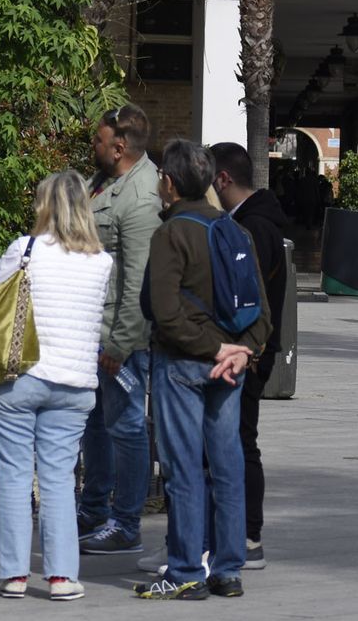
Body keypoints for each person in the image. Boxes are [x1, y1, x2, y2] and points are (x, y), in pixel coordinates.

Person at [135, 140, 271, 601]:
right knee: (228, 465)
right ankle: (228, 570)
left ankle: (186, 569)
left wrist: (214, 349)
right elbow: (262, 312)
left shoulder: (170, 235)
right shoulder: (236, 232)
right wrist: (241, 352)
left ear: (169, 184)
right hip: (230, 369)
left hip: (182, 365)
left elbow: (165, 313)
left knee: (184, 470)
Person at [0, 171, 112, 603]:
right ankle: (61, 576)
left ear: (44, 205)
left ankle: (14, 574)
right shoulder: (101, 261)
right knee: (59, 478)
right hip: (74, 383)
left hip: (22, 376)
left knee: (15, 474)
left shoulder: (26, 249)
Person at [78, 105, 161, 556]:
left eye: (98, 140)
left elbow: (138, 279)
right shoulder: (105, 183)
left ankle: (126, 523)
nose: (93, 145)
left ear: (120, 146)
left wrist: (122, 343)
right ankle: (93, 510)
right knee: (95, 423)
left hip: (120, 338)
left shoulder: (142, 196)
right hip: (95, 330)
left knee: (127, 427)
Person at [210, 141, 290, 572]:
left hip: (248, 352)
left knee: (242, 441)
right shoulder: (252, 222)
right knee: (238, 441)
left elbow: (247, 297)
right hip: (251, 349)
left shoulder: (253, 228)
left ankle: (249, 534)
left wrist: (248, 349)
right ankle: (239, 532)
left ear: (223, 179)